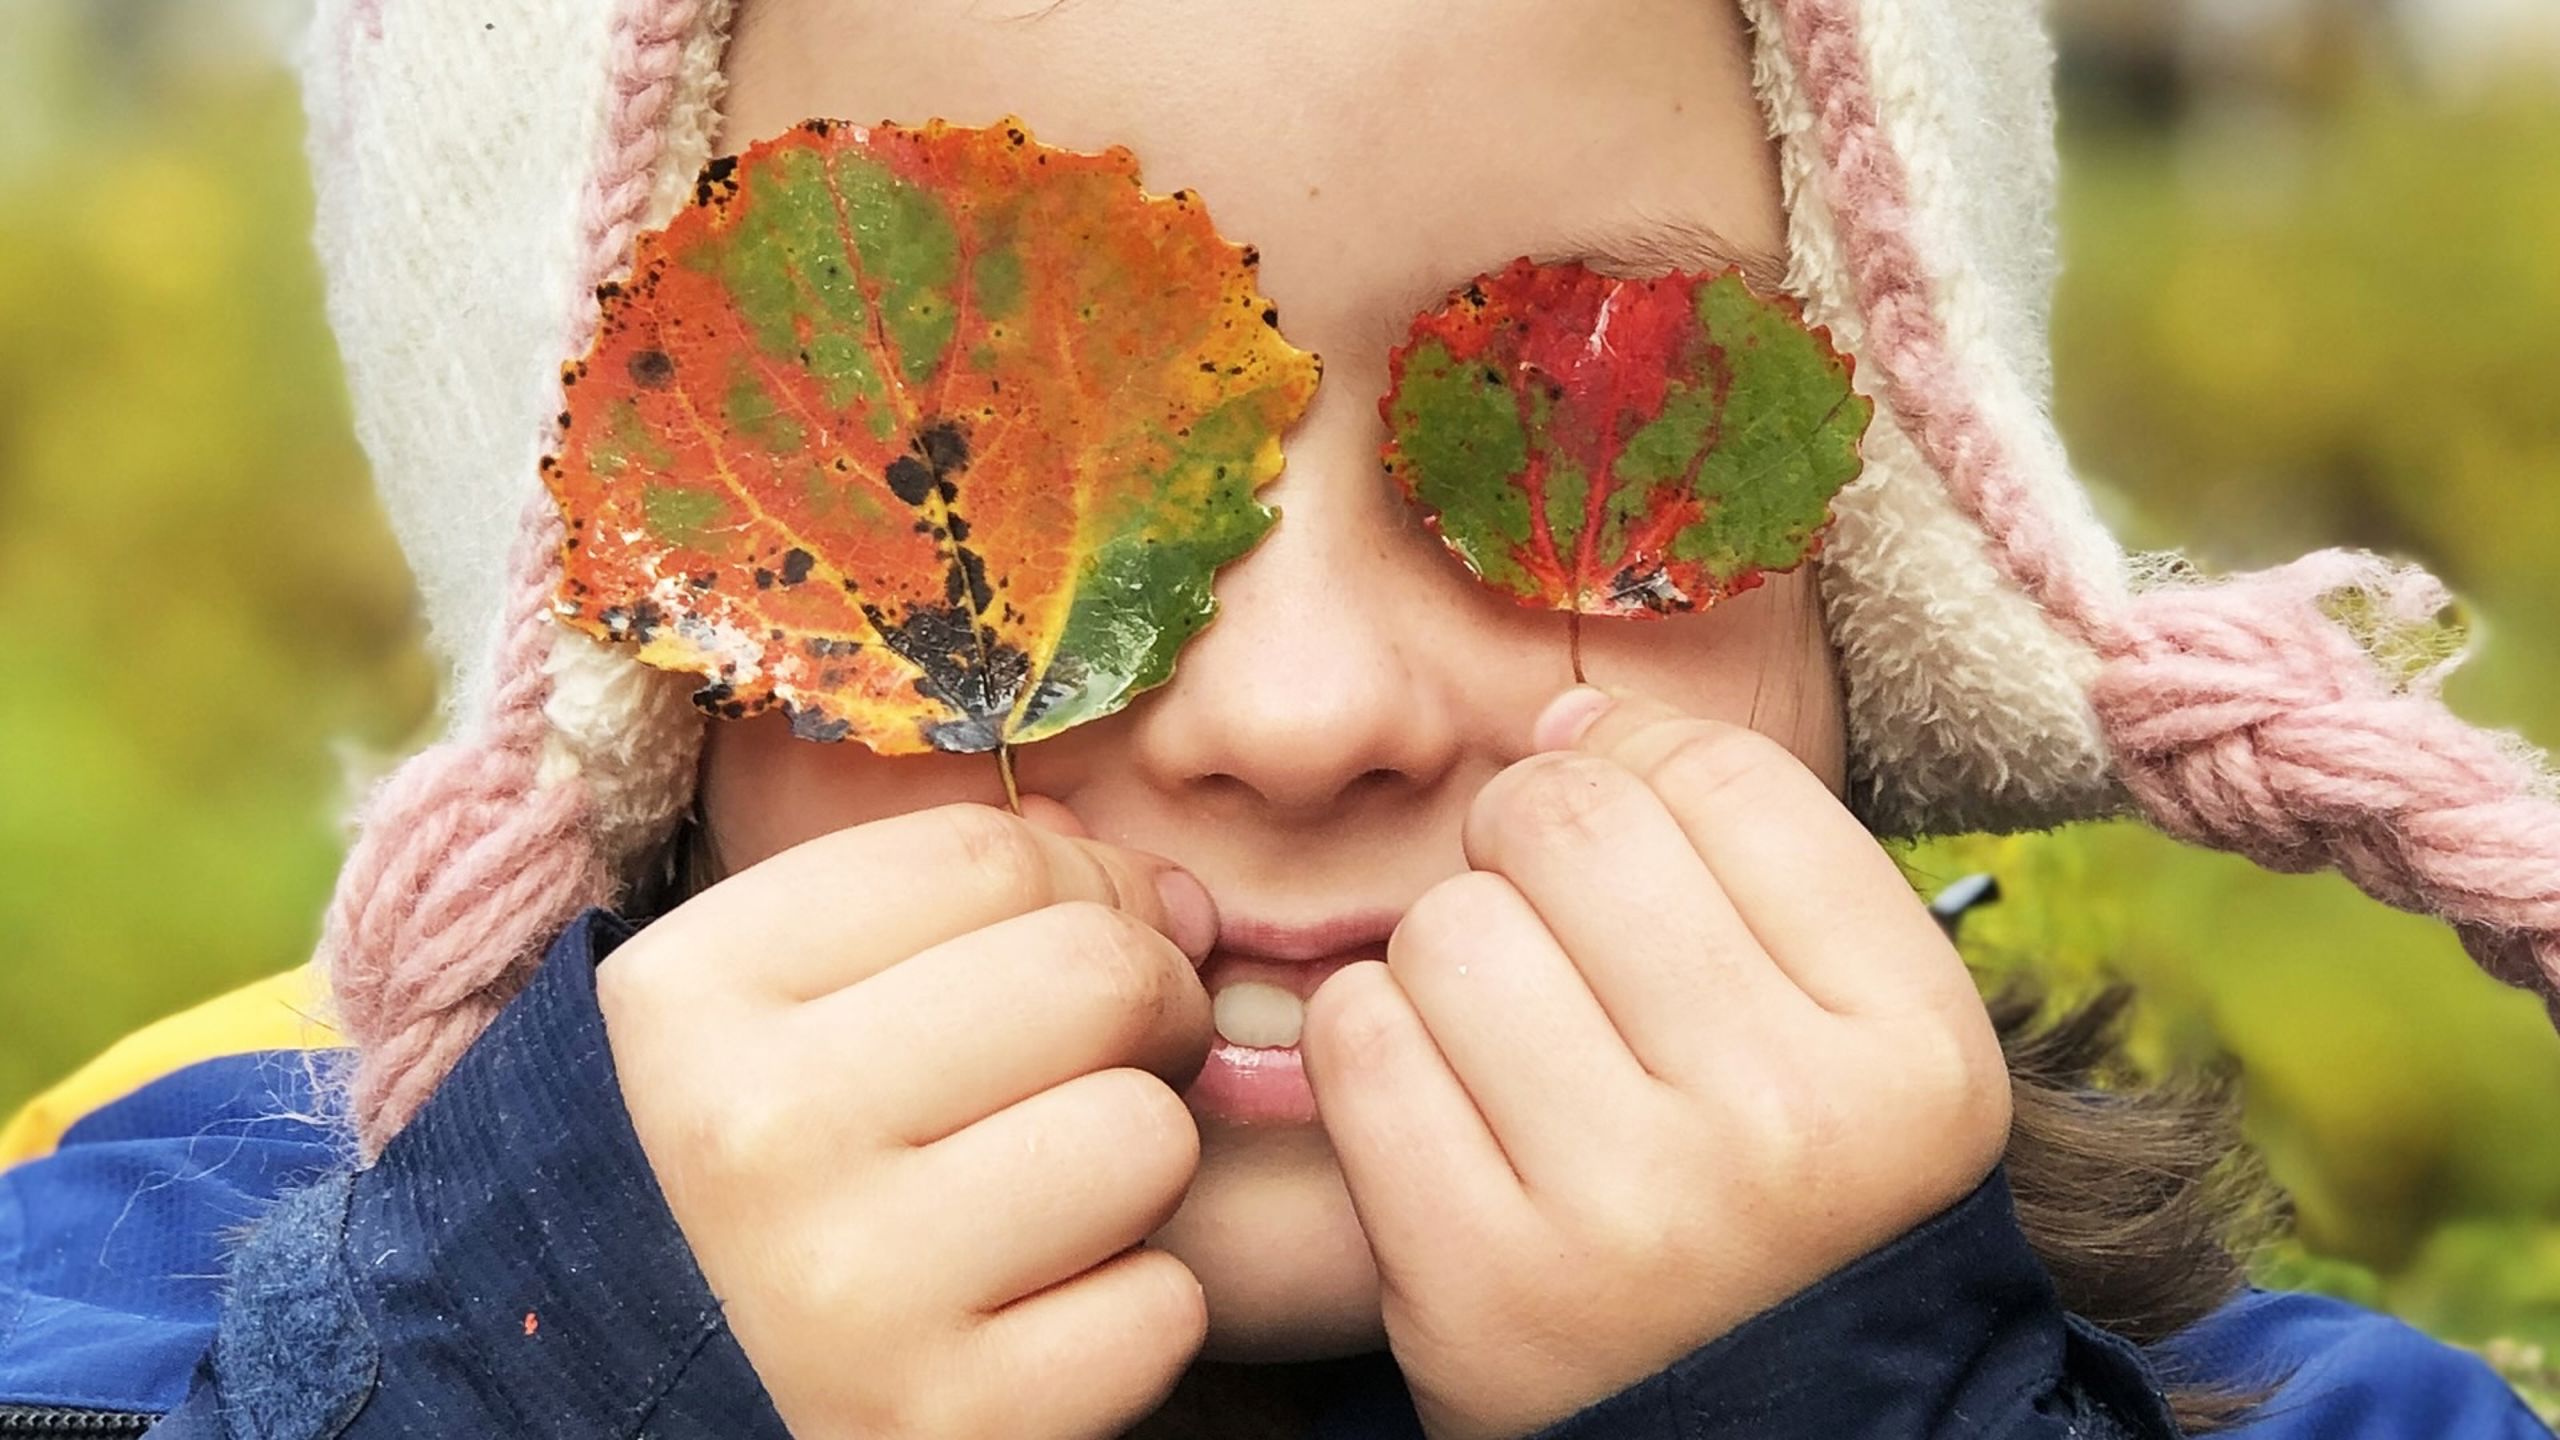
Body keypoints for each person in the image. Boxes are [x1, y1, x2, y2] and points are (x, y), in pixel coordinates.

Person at [1, 0, 2553, 1435]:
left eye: (1585, 424)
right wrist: (518, 1395)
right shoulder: (142, 1304)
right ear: (589, 657)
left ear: (1885, 562)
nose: (1309, 708)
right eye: (965, 459)